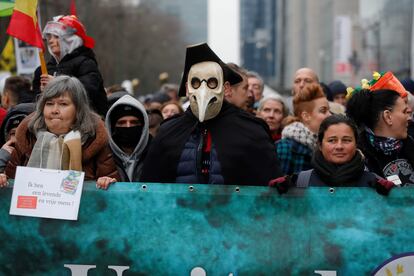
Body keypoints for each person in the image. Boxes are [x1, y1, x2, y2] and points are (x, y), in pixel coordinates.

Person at [141, 43, 283, 185]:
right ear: (187, 88)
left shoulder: (251, 130)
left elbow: (268, 187)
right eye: (195, 83)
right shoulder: (169, 131)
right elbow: (149, 189)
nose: (203, 89)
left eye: (212, 82)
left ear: (225, 88)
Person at [0, 76, 118, 188]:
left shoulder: (95, 139)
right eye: (49, 104)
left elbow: (111, 195)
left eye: (63, 104)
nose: (55, 110)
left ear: (78, 110)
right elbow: (11, 183)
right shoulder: (27, 137)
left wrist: (106, 181)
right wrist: (3, 179)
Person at [32, 15, 108, 117]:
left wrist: (56, 84)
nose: (50, 41)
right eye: (49, 36)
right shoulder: (42, 70)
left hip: (84, 125)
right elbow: (35, 103)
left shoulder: (86, 64)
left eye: (56, 36)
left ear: (72, 39)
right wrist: (41, 93)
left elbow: (88, 92)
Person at [346, 71, 414, 186]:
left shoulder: (410, 146)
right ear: (388, 116)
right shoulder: (357, 158)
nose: (410, 118)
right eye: (404, 112)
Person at [276, 84, 330, 175]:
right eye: (323, 111)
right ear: (306, 116)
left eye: (329, 110)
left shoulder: (325, 146)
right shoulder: (285, 147)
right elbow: (277, 185)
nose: (329, 115)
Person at [97, 95, 150, 185]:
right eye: (121, 123)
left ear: (143, 126)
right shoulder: (102, 155)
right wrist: (102, 183)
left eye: (134, 122)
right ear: (112, 127)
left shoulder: (156, 152)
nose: (128, 126)